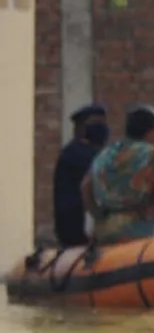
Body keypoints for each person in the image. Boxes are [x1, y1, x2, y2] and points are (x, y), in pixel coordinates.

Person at [82, 105, 154, 246]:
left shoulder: (105, 154)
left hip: (106, 230)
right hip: (141, 230)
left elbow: (85, 186)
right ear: (151, 131)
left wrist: (98, 215)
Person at [53, 103, 109, 246]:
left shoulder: (72, 152)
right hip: (78, 231)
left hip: (72, 231)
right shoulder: (80, 154)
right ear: (81, 129)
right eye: (95, 123)